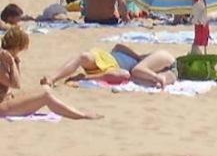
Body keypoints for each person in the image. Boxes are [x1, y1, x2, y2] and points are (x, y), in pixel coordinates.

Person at [0, 28, 100, 120]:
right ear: (18, 46)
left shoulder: (7, 58)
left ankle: (78, 114)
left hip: (6, 99)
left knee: (45, 90)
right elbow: (16, 84)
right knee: (45, 95)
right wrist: (12, 63)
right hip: (2, 107)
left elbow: (16, 80)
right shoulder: (2, 61)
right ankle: (80, 115)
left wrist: (15, 62)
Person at [42, 43, 177, 88]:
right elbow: (118, 47)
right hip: (108, 58)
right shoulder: (145, 60)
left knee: (124, 75)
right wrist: (137, 56)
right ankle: (52, 78)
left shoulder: (142, 66)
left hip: (113, 67)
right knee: (83, 56)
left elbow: (135, 73)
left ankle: (84, 78)